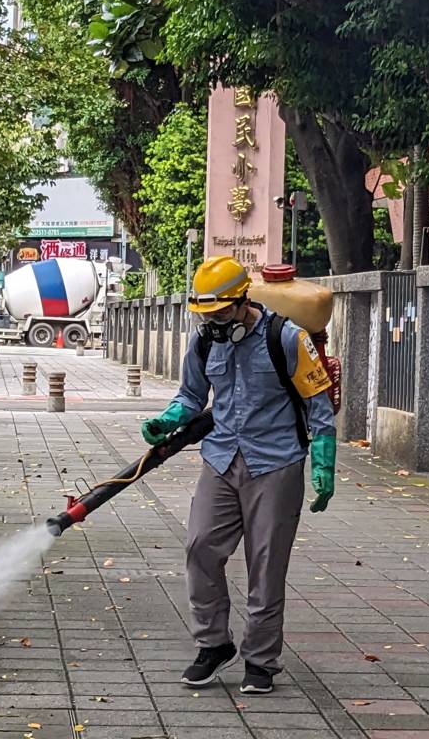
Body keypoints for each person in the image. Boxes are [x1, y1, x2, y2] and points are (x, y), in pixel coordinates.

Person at [141, 256, 337, 695]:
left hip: (277, 463)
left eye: (220, 313)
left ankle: (261, 660)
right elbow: (191, 395)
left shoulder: (286, 338)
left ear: (242, 301)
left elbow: (318, 403)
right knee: (200, 548)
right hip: (221, 459)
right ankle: (213, 644)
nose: (212, 322)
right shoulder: (205, 342)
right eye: (204, 315)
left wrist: (324, 461)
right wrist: (169, 419)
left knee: (266, 566)